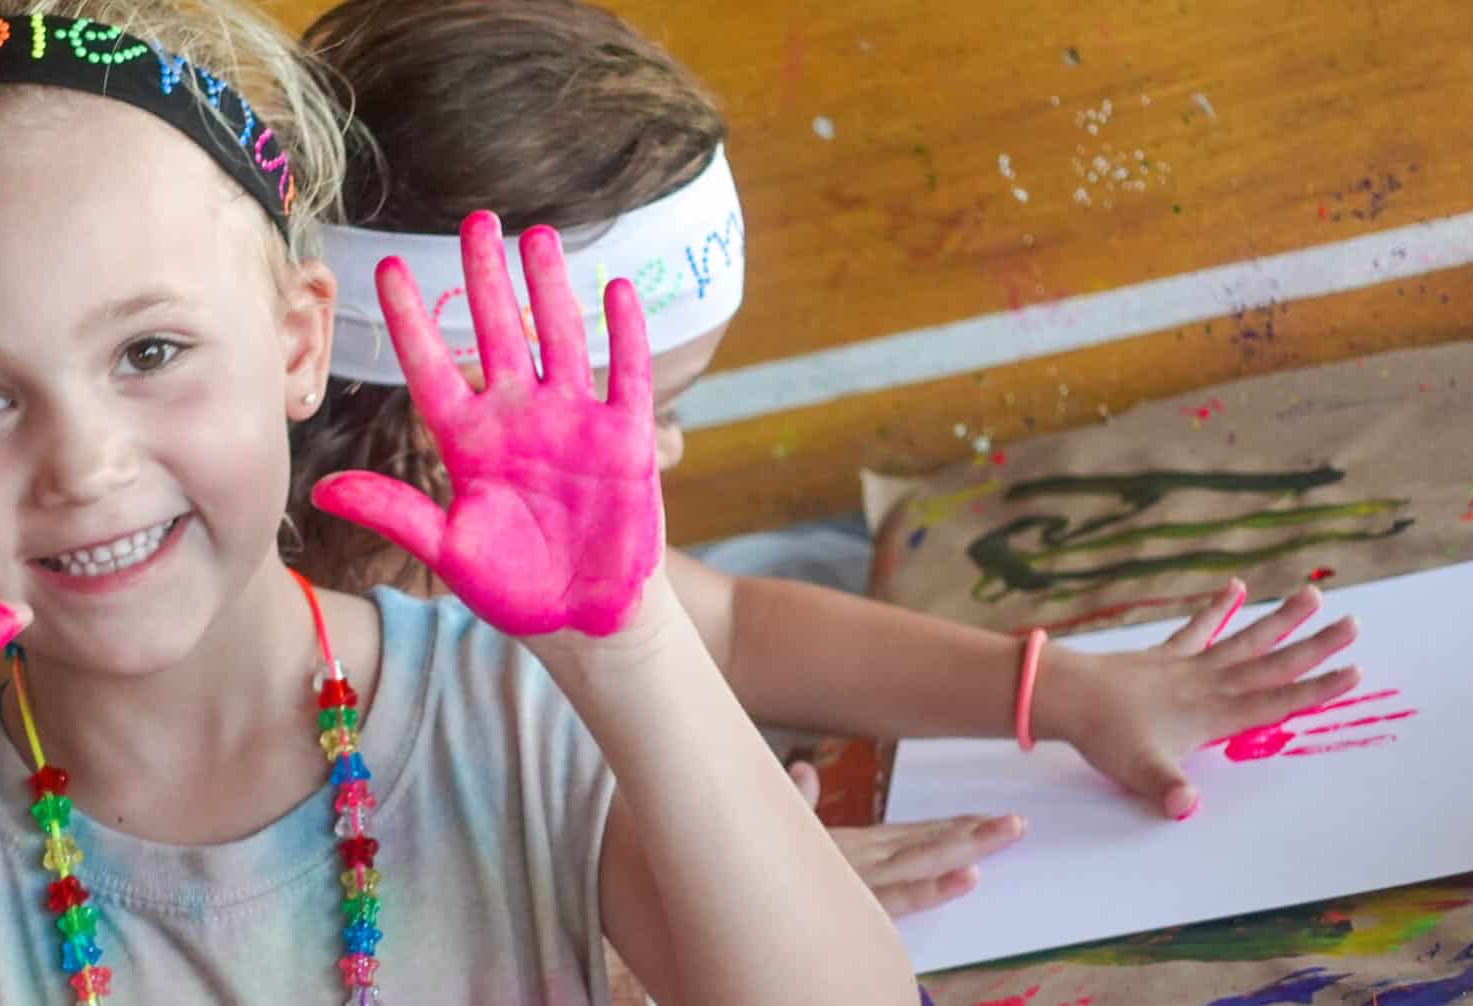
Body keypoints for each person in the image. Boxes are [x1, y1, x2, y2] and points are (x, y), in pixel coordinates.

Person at [0, 2, 915, 1001]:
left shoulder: (519, 712)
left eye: (149, 352)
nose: (84, 462)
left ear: (296, 343)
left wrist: (631, 652)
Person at [291, 0, 1366, 916]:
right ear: (444, 415)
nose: (668, 446)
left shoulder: (555, 544)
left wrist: (1065, 692)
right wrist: (684, 908)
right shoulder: (272, 645)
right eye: (650, 407)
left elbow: (735, 623)